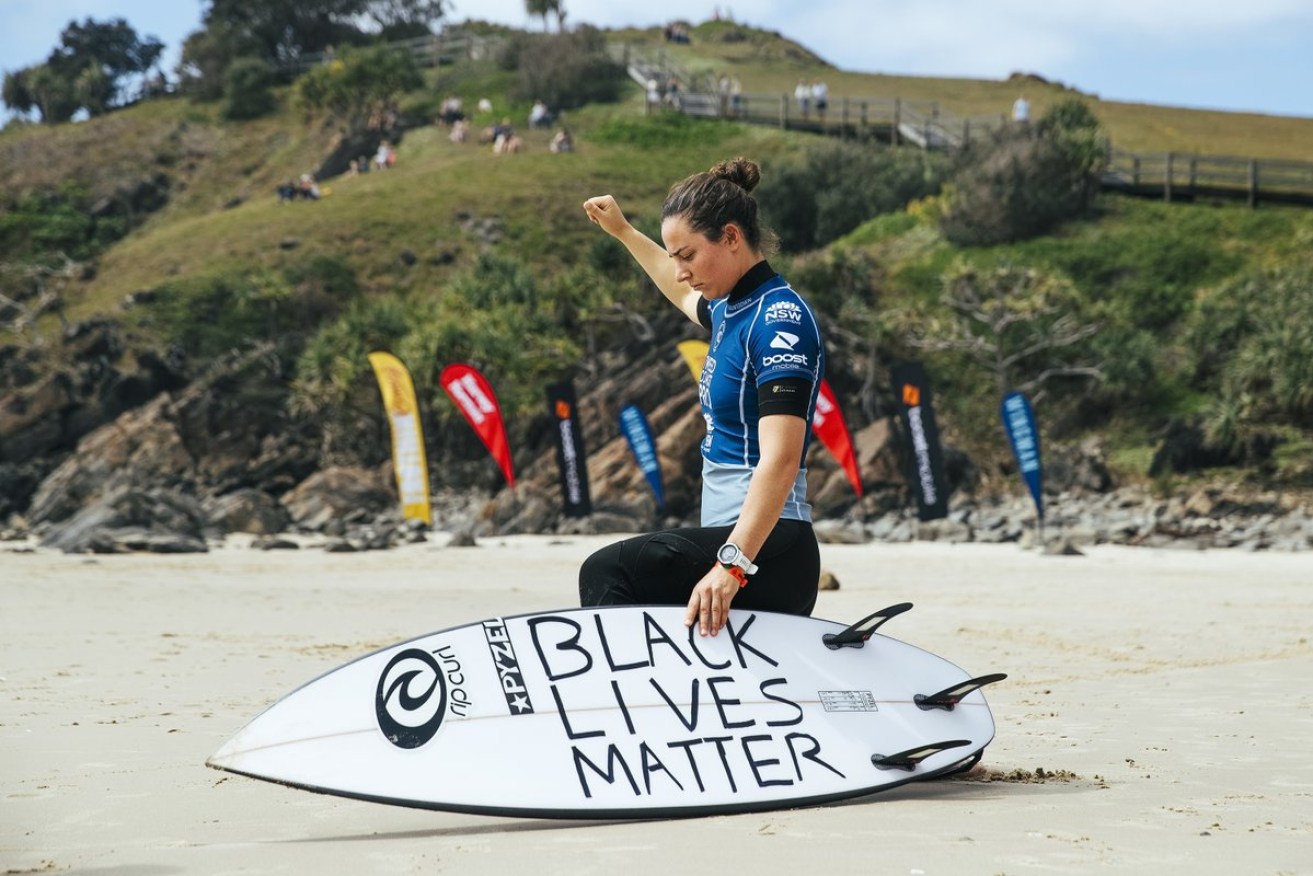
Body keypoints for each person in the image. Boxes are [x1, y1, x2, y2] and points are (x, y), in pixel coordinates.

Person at [579, 157, 825, 637]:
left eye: (687, 255)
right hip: (739, 546)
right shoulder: (734, 310)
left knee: (608, 572)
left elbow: (782, 457)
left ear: (731, 237)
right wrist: (625, 231)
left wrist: (732, 567)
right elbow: (676, 290)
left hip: (769, 549)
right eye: (675, 257)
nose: (680, 271)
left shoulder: (779, 322)